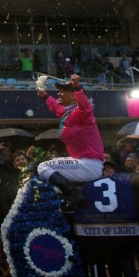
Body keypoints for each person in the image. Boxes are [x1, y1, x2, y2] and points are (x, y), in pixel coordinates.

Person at [36, 74, 104, 213]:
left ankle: (73, 194)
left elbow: (85, 106)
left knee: (43, 167)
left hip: (89, 165)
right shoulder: (68, 113)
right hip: (80, 161)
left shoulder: (83, 112)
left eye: (63, 91)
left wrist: (77, 87)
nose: (59, 93)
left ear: (74, 95)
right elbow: (56, 108)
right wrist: (44, 96)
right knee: (49, 163)